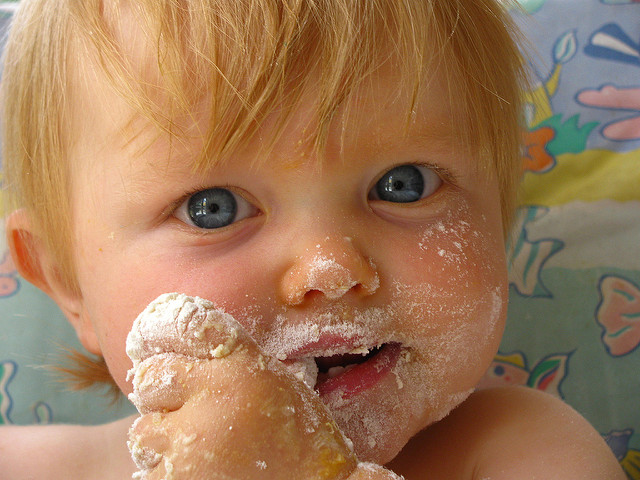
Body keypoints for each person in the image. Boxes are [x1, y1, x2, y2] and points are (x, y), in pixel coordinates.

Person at [0, 0, 625, 478]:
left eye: (402, 185)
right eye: (211, 209)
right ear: (67, 283)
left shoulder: (523, 449)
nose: (329, 266)